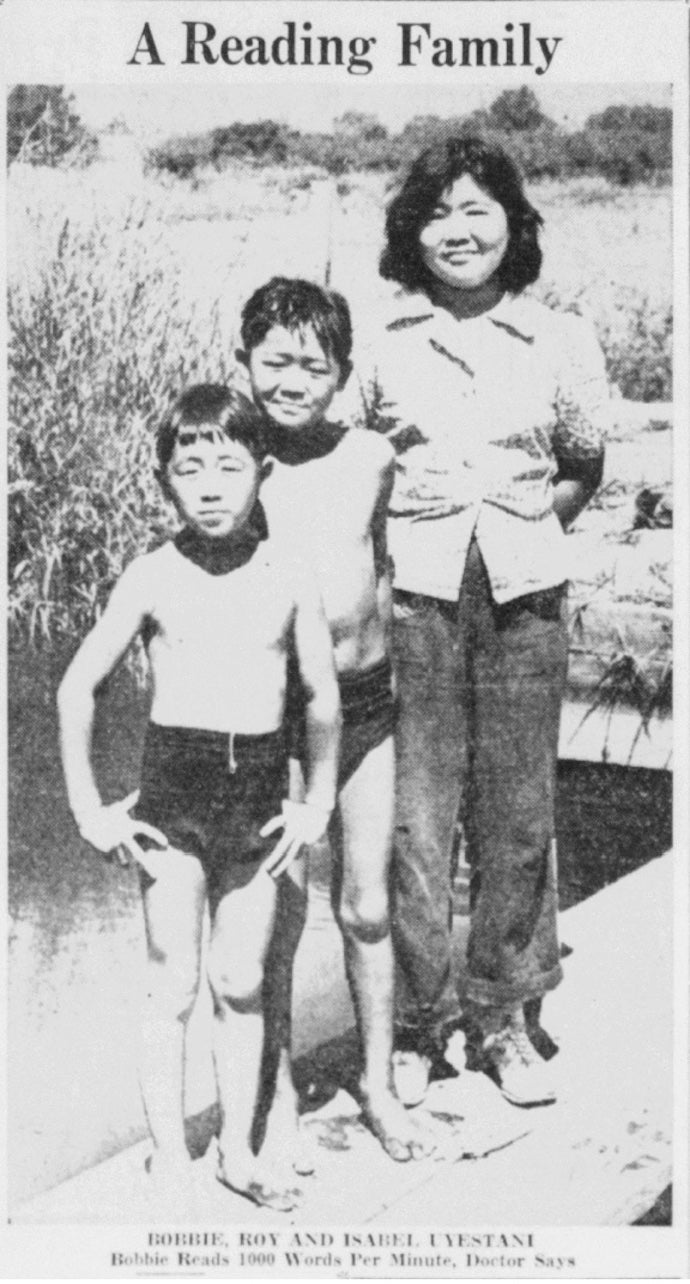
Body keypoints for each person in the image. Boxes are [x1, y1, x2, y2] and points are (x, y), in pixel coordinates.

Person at [358, 135, 609, 1107]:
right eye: (436, 213)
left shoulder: (563, 340)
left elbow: (584, 465)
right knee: (418, 824)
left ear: (515, 222)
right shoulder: (381, 346)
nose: (457, 230)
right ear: (409, 234)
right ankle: (424, 1024)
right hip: (414, 605)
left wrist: (524, 541)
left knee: (517, 818)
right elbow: (354, 472)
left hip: (525, 607)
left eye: (478, 209)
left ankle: (504, 1017)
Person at [57, 384, 341, 1212]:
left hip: (257, 801)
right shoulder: (150, 575)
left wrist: (316, 802)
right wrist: (87, 808)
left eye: (230, 465)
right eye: (191, 469)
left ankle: (238, 1150)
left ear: (263, 471)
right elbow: (78, 690)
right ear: (165, 481)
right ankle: (170, 1154)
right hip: (171, 804)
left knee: (241, 981)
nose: (211, 485)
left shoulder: (290, 574)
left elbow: (321, 699)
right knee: (171, 980)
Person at [237, 276, 435, 1161]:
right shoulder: (238, 464)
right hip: (275, 718)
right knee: (277, 913)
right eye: (272, 361)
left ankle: (380, 1086)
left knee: (366, 906)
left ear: (344, 374)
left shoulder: (371, 459)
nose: (292, 380)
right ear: (240, 363)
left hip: (365, 708)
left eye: (313, 366)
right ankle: (275, 1097)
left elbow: (380, 566)